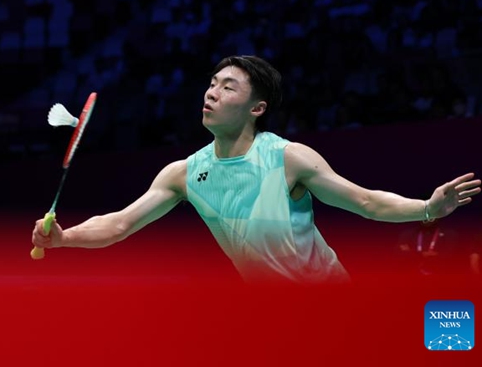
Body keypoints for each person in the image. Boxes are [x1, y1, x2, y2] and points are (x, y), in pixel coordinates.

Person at [31, 55, 481, 283]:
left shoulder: (288, 158)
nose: (211, 93)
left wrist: (427, 208)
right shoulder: (184, 173)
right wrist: (65, 238)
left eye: (228, 87)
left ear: (256, 108)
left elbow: (364, 201)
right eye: (211, 84)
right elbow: (120, 223)